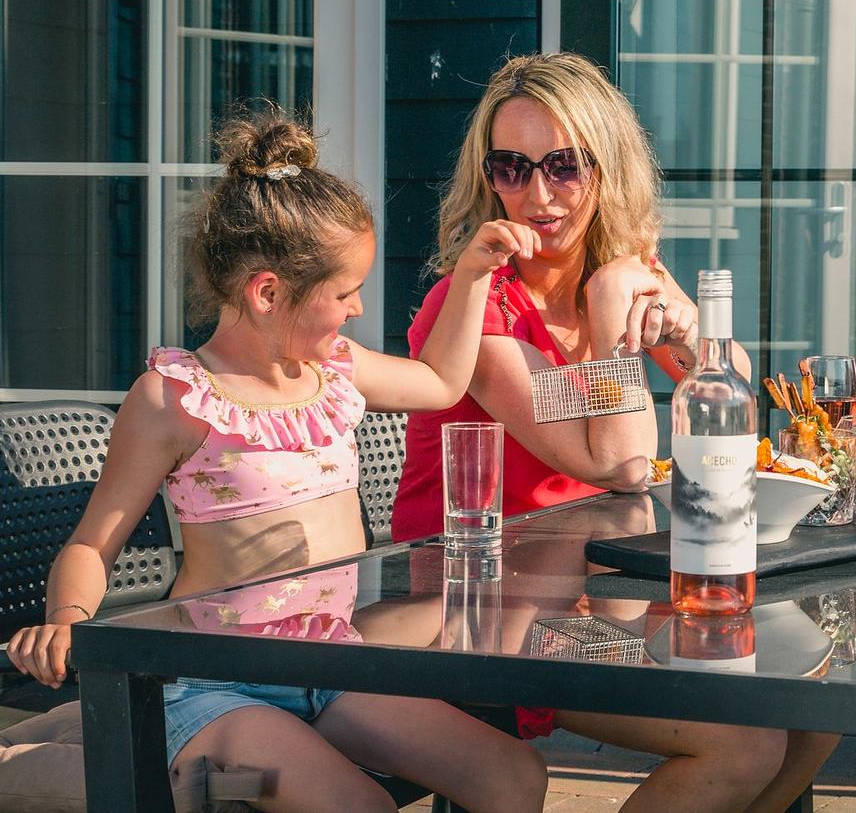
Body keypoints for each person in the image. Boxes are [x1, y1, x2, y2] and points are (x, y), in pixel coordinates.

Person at [5, 110, 548, 812]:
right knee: (361, 808)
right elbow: (91, 543)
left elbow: (442, 381)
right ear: (267, 293)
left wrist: (472, 273)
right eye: (344, 292)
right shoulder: (175, 399)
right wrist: (66, 617)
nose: (358, 309)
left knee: (513, 775)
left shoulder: (338, 370)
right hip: (218, 681)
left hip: (331, 662)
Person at [392, 51, 833, 813]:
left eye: (564, 166)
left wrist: (687, 327)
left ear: (608, 166)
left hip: (599, 584)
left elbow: (734, 387)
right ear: (487, 176)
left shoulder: (621, 268)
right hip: (490, 607)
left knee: (817, 704)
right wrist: (609, 313)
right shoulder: (475, 307)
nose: (538, 195)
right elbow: (621, 462)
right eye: (511, 167)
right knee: (744, 743)